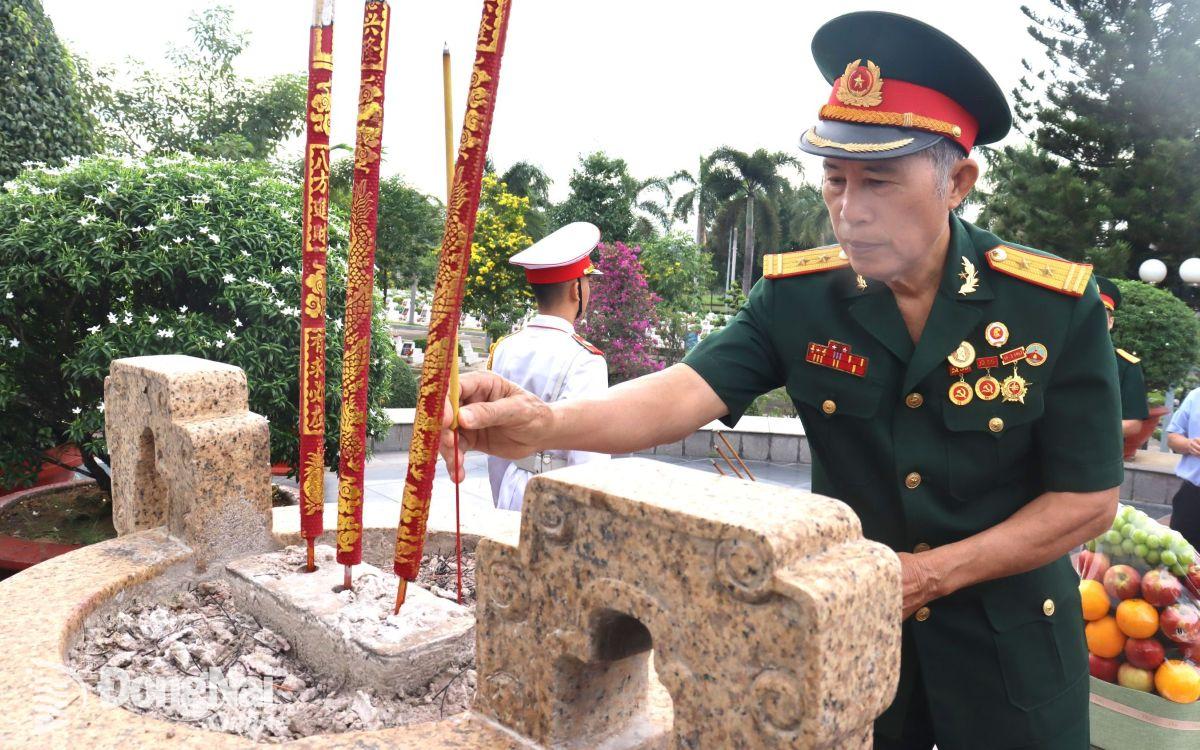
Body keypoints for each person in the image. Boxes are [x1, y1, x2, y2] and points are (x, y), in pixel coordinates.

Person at [445, 12, 1121, 749]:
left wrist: (929, 576)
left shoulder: (1050, 305)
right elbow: (683, 391)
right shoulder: (801, 298)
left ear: (957, 180)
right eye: (835, 180)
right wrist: (548, 424)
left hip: (1010, 666)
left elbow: (1087, 501)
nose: (849, 212)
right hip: (852, 652)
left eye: (879, 182)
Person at [485, 221, 609, 511]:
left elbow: (496, 447)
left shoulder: (505, 347)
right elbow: (588, 455)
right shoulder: (585, 360)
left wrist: (500, 500)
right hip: (560, 498)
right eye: (588, 280)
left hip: (511, 488)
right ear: (576, 291)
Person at [1097, 276, 1150, 437]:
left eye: (1099, 317)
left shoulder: (1126, 365)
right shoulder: (1060, 358)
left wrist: (1091, 431)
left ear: (1110, 322)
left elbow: (1133, 424)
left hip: (1102, 454)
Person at [1165, 388, 1200, 546]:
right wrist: (1189, 444)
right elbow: (1172, 438)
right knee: (1182, 558)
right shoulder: (1196, 396)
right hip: (1192, 496)